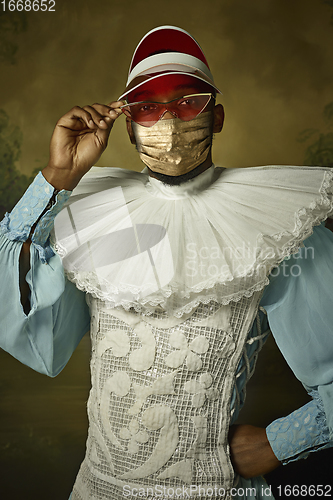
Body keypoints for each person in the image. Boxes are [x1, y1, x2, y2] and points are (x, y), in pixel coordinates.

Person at [1, 26, 333, 500]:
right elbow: (31, 332)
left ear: (215, 117)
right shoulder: (91, 214)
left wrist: (277, 444)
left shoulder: (280, 227)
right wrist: (58, 178)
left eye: (187, 103)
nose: (169, 122)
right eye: (148, 107)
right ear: (129, 125)